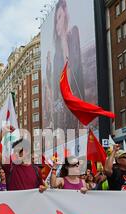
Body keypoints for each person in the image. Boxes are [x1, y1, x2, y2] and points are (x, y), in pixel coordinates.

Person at [52, 0, 84, 131]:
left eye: (59, 17)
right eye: (55, 20)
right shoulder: (56, 57)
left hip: (77, 107)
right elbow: (55, 92)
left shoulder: (74, 35)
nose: (57, 25)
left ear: (65, 15)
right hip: (65, 112)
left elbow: (80, 75)